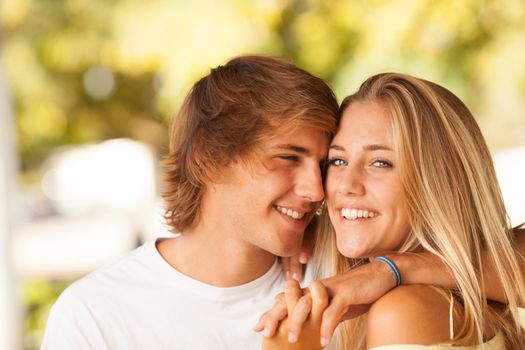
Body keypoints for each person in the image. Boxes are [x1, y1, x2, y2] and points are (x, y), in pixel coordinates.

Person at [41, 55, 340, 349]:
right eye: (288, 158)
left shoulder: (340, 285)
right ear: (210, 157)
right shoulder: (93, 317)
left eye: (324, 166)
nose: (316, 191)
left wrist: (384, 271)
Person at [258, 73, 525, 349]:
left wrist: (289, 343)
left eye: (381, 163)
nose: (346, 185)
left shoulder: (403, 312)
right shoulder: (452, 303)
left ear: (438, 183)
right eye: (338, 160)